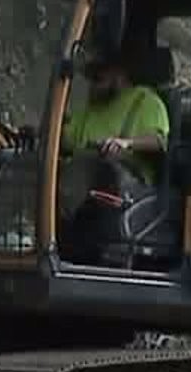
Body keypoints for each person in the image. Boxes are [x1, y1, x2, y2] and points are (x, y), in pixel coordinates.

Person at [59, 47, 169, 266]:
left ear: (118, 75)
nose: (92, 85)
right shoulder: (91, 109)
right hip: (86, 183)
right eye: (90, 79)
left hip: (128, 187)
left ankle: (57, 224)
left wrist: (126, 143)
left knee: (90, 167)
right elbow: (64, 138)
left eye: (98, 78)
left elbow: (159, 141)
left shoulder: (146, 101)